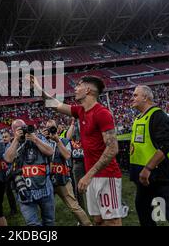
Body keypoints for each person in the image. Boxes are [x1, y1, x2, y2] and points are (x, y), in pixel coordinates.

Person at [29, 75, 124, 226]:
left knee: (111, 221)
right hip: (92, 175)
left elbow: (112, 148)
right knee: (98, 220)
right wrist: (39, 89)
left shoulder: (102, 113)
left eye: (78, 86)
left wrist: (89, 175)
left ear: (87, 90)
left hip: (107, 176)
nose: (75, 89)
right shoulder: (81, 111)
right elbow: (55, 104)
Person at [130, 85, 169, 226]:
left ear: (145, 97)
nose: (132, 98)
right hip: (144, 177)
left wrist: (148, 168)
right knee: (144, 211)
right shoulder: (139, 118)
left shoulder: (158, 116)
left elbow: (165, 146)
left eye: (135, 95)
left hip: (159, 175)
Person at [3, 119, 55, 226]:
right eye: (18, 130)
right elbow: (8, 159)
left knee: (49, 221)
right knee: (32, 224)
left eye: (23, 128)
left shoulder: (37, 137)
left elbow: (50, 151)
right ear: (13, 132)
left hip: (44, 187)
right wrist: (17, 140)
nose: (22, 131)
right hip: (24, 190)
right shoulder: (13, 143)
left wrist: (35, 139)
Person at [44, 120, 92, 226]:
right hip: (47, 180)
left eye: (52, 128)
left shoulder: (64, 141)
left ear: (58, 129)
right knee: (46, 209)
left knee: (74, 207)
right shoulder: (42, 141)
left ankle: (88, 224)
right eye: (48, 128)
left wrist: (57, 140)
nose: (50, 130)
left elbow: (67, 156)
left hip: (63, 179)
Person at [66, 118, 87, 212]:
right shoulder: (72, 127)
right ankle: (82, 210)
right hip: (77, 162)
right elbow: (68, 137)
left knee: (94, 185)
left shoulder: (85, 123)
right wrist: (73, 123)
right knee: (78, 188)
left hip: (88, 160)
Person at [2, 130, 18, 216]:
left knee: (17, 188)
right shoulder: (1, 147)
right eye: (3, 137)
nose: (4, 138)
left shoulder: (12, 146)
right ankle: (13, 209)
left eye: (6, 137)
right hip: (6, 172)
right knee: (8, 192)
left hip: (13, 170)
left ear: (10, 137)